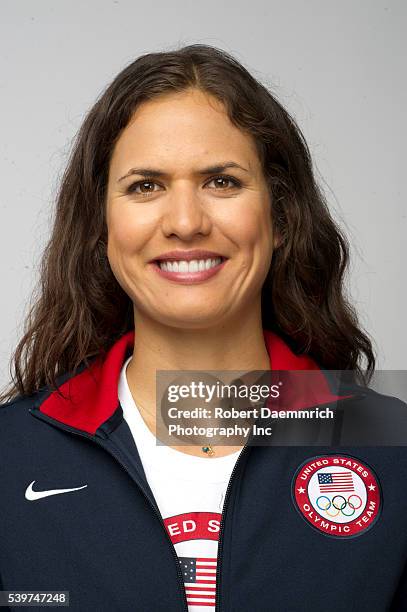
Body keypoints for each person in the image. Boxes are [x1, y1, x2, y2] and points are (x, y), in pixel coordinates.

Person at [0, 44, 406, 612]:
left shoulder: (396, 452)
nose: (186, 222)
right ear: (100, 225)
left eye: (221, 181)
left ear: (281, 217)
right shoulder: (10, 455)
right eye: (146, 185)